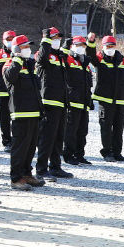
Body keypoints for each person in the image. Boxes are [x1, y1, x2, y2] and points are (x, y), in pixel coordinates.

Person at [3, 35, 45, 191]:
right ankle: (16, 178)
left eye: (28, 46)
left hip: (34, 112)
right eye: (25, 47)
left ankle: (27, 173)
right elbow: (10, 78)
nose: (28, 49)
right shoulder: (11, 64)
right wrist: (17, 59)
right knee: (20, 147)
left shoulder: (30, 65)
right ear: (16, 49)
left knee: (30, 147)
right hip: (20, 113)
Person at [87, 34, 124, 162]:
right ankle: (107, 152)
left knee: (119, 128)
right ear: (103, 47)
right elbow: (90, 56)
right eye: (107, 46)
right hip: (106, 100)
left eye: (112, 46)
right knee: (106, 127)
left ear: (115, 46)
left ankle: (117, 152)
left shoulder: (123, 60)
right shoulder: (99, 59)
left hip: (121, 100)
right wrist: (90, 42)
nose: (110, 48)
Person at [35, 28, 72, 181]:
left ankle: (56, 167)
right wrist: (45, 41)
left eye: (58, 37)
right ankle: (41, 169)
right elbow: (41, 60)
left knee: (58, 137)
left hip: (61, 102)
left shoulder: (60, 56)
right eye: (54, 37)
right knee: (47, 137)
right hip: (48, 101)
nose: (57, 40)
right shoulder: (44, 54)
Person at [63, 35, 95, 166]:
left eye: (83, 45)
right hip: (72, 102)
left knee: (83, 131)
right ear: (72, 46)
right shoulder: (68, 59)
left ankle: (80, 155)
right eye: (78, 45)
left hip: (84, 102)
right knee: (71, 131)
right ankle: (68, 155)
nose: (81, 48)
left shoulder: (85, 63)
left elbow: (87, 84)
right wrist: (65, 46)